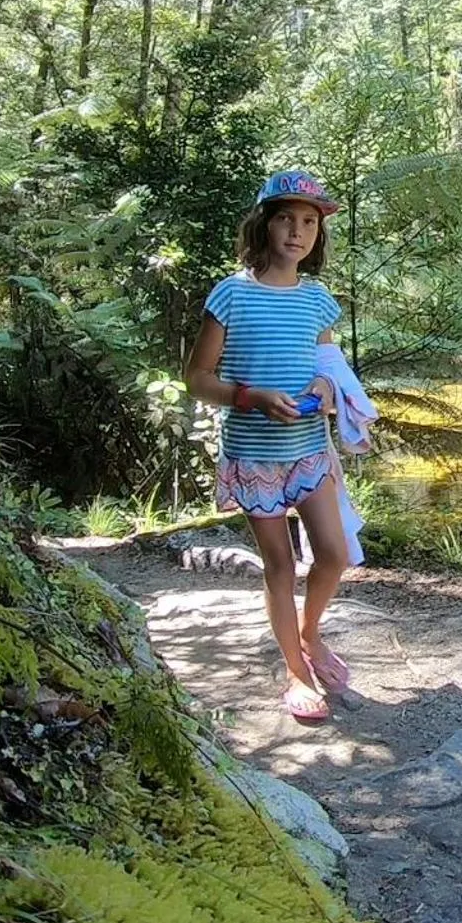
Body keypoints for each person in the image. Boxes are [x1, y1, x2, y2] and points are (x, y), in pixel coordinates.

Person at [185, 169, 357, 721]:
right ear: (264, 224)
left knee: (332, 553)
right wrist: (251, 396)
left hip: (309, 447)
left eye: (309, 221)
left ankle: (310, 633)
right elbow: (198, 377)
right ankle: (295, 671)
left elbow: (330, 369)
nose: (298, 230)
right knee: (279, 565)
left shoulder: (317, 301)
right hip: (254, 454)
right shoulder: (231, 294)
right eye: (286, 217)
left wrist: (325, 390)